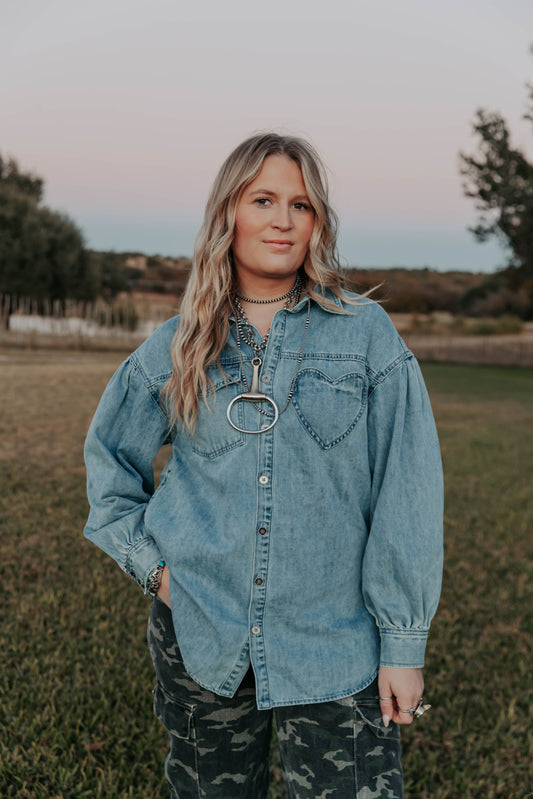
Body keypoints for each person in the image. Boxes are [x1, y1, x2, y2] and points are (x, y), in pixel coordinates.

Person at [84, 132, 443, 799]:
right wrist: (158, 572)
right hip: (202, 634)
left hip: (335, 641)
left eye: (300, 205)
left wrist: (401, 645)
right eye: (264, 199)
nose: (282, 219)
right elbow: (108, 466)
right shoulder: (178, 343)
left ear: (317, 224)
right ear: (229, 213)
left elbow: (407, 492)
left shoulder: (364, 335)